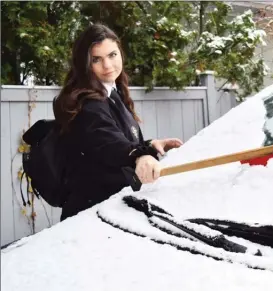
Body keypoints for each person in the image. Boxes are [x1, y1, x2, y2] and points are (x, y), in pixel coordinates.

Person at [54, 23, 183, 221]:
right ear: (84, 63)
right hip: (89, 217)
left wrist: (149, 147)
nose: (107, 66)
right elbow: (107, 141)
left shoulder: (111, 92)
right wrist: (138, 156)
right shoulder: (84, 104)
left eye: (112, 55)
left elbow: (116, 137)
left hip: (110, 210)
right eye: (96, 59)